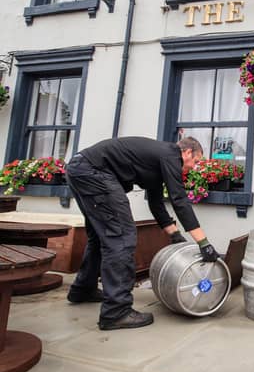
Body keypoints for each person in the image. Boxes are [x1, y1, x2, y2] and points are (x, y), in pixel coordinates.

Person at [65, 136, 220, 331]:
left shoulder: (158, 161)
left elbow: (155, 203)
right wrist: (203, 242)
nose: (194, 167)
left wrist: (174, 234)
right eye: (196, 161)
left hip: (80, 169)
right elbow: (179, 199)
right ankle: (116, 312)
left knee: (100, 236)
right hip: (94, 172)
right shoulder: (171, 155)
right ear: (187, 152)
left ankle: (83, 289)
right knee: (121, 237)